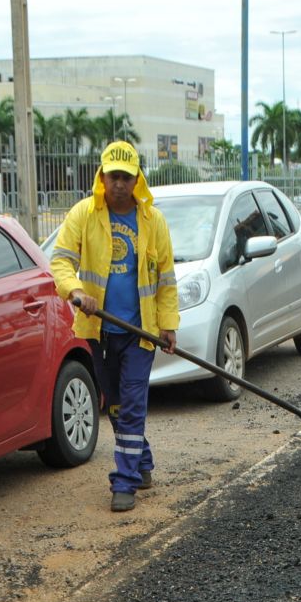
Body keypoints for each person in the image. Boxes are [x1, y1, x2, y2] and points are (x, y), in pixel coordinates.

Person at [49, 140, 180, 513]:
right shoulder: (83, 215)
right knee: (117, 406)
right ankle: (143, 462)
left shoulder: (153, 222)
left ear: (137, 178)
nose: (119, 183)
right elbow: (60, 261)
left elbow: (166, 280)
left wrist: (168, 326)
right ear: (101, 177)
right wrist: (76, 291)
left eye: (126, 176)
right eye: (112, 176)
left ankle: (125, 482)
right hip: (99, 331)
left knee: (134, 405)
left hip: (141, 334)